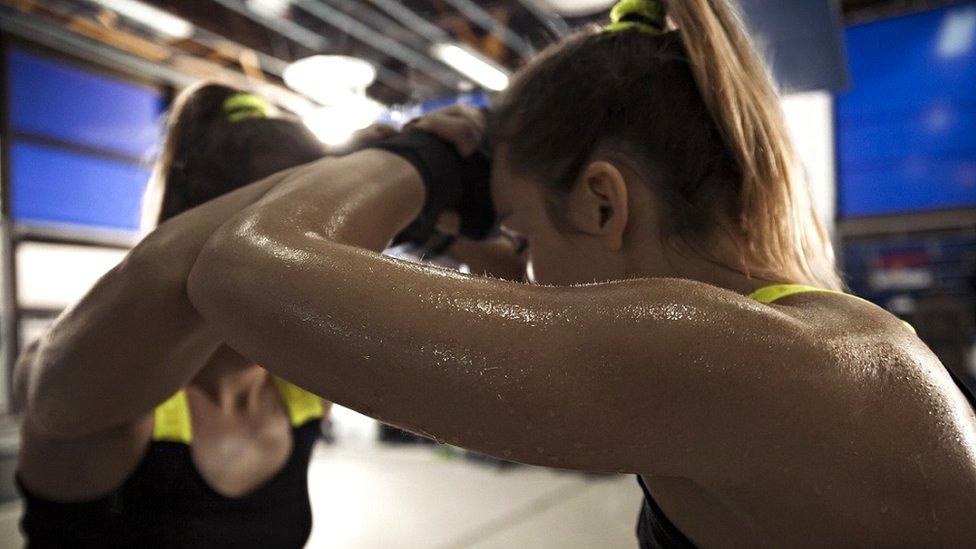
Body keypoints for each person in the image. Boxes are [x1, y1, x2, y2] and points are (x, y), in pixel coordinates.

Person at [183, 0, 976, 545]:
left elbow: (241, 268)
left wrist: (410, 163)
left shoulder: (729, 358)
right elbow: (523, 284)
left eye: (523, 232)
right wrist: (459, 233)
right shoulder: (790, 337)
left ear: (603, 202)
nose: (519, 266)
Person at [15, 83, 331, 548]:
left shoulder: (301, 392)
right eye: (302, 234)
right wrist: (347, 174)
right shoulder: (116, 397)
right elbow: (50, 392)